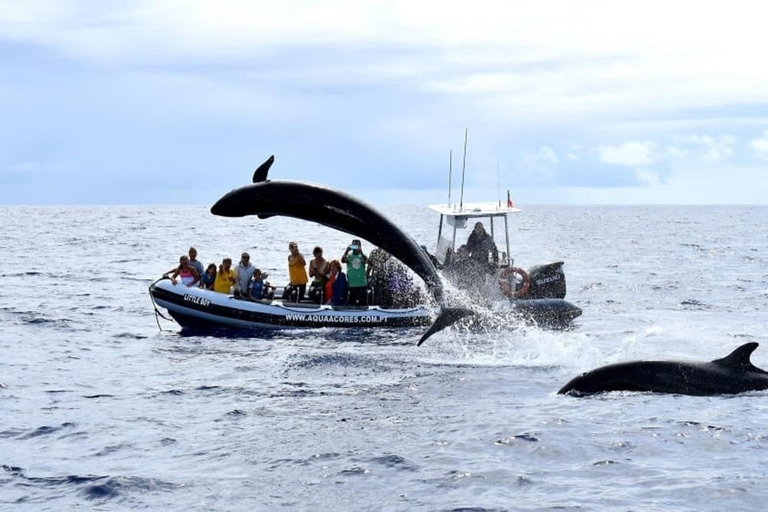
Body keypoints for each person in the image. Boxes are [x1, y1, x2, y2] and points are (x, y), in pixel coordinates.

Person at [342, 238, 368, 305]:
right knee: (351, 302)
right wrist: (347, 251)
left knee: (363, 303)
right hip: (352, 284)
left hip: (362, 283)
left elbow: (367, 261)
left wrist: (361, 252)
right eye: (353, 245)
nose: (355, 247)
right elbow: (343, 260)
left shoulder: (362, 256)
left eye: (357, 245)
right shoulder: (349, 255)